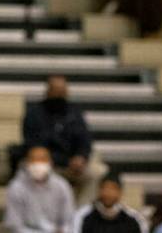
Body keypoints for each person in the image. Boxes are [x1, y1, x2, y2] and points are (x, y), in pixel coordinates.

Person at [23, 76, 106, 205]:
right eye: (56, 91)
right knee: (37, 169)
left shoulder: (74, 111)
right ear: (48, 92)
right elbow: (34, 145)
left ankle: (80, 214)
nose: (59, 95)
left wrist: (81, 156)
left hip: (74, 165)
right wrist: (66, 161)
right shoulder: (35, 114)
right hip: (49, 164)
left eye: (62, 91)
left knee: (98, 171)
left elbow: (85, 138)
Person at [4, 146, 76, 233]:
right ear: (27, 163)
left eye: (42, 160)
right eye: (34, 160)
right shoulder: (16, 187)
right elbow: (14, 226)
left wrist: (64, 230)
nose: (38, 164)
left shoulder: (62, 186)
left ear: (50, 163)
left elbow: (69, 220)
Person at [72, 176, 147, 233]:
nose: (108, 193)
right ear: (98, 191)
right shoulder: (82, 215)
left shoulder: (134, 218)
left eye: (113, 189)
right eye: (104, 188)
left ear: (120, 192)